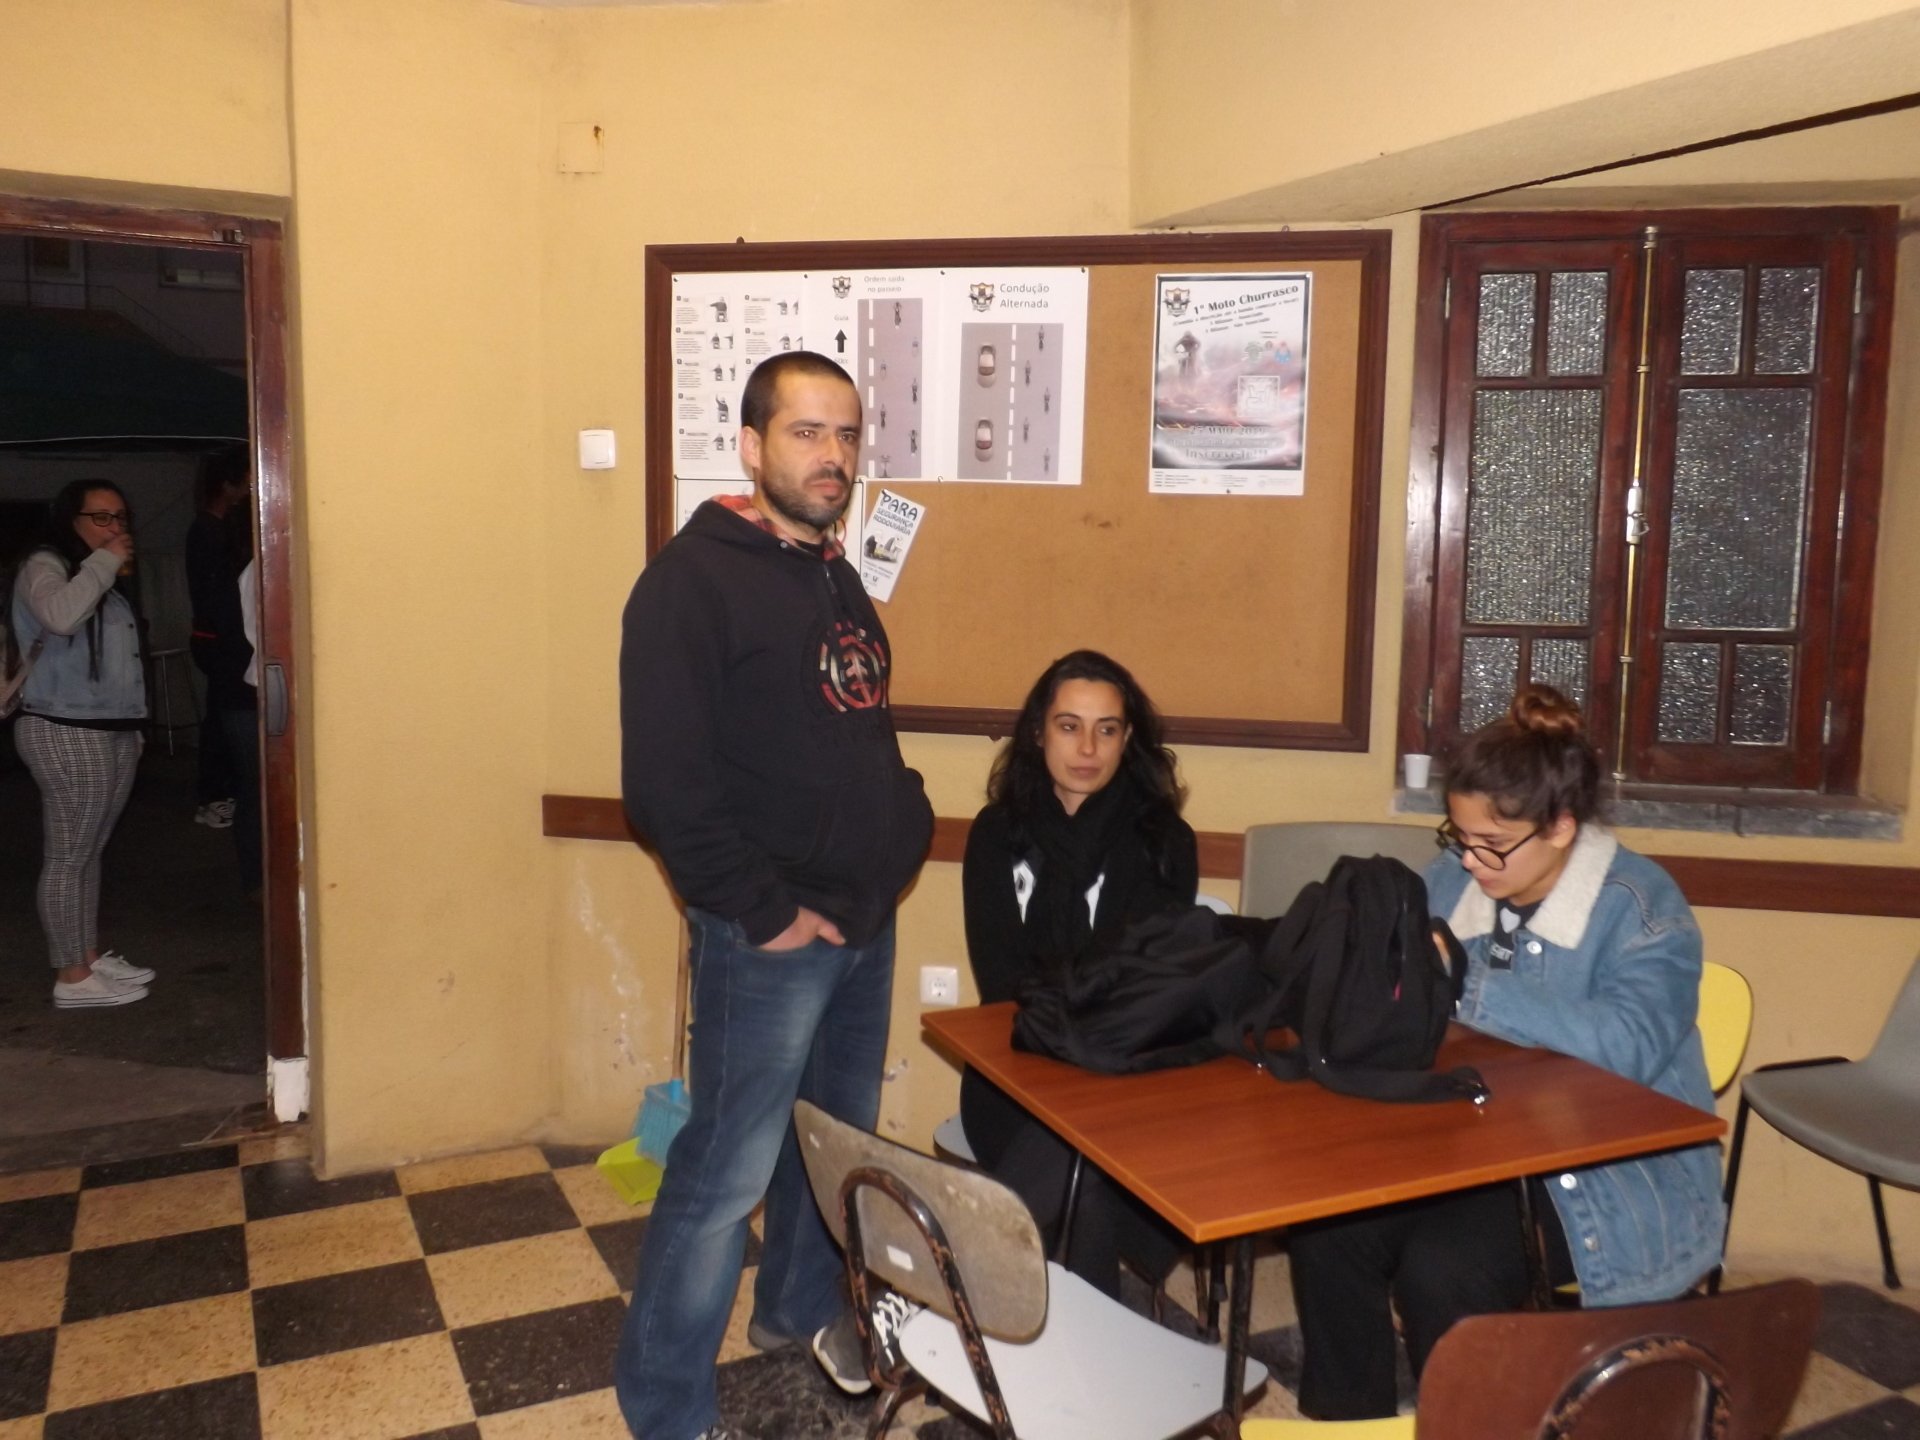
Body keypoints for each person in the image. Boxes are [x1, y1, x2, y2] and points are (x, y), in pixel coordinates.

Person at [615, 351, 934, 1440]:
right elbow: (665, 786)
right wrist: (762, 912)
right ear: (751, 447)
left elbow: (855, 731)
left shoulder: (832, 573)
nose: (832, 455)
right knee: (724, 1174)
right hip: (770, 939)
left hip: (862, 925)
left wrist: (901, 825)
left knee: (827, 1151)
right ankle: (666, 1408)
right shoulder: (690, 583)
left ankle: (795, 1314)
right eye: (806, 432)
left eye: (846, 435)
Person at [1287, 684, 1725, 1420]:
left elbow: (1629, 1047)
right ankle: (1349, 1420)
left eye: (1492, 843)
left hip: (1604, 1169)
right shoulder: (1453, 879)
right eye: (1458, 837)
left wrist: (1467, 982)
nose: (1469, 861)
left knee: (1443, 1270)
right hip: (1474, 1138)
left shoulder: (1643, 908)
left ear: (1561, 827)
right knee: (1328, 1227)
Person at [961, 649, 1198, 1298]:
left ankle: (954, 1288)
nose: (1087, 748)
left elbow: (1141, 991)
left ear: (1128, 739)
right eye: (1069, 726)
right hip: (1015, 1072)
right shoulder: (996, 835)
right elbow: (1001, 984)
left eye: (1106, 729)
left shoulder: (1164, 842)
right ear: (1039, 732)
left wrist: (1074, 1009)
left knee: (1081, 1173)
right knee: (1076, 1162)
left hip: (1124, 1073)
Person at [10, 480, 157, 1009]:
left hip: (108, 728)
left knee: (89, 850)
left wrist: (133, 728)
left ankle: (86, 957)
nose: (115, 528)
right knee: (69, 855)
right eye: (101, 517)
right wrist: (105, 562)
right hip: (64, 727)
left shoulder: (97, 574)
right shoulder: (45, 564)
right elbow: (60, 616)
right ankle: (71, 977)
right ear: (69, 519)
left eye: (120, 517)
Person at [184, 446, 251, 832]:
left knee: (224, 715)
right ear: (227, 485)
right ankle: (213, 796)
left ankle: (220, 792)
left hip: (222, 638)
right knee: (223, 718)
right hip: (219, 639)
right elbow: (218, 597)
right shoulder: (208, 530)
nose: (251, 489)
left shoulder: (218, 527)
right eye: (247, 482)